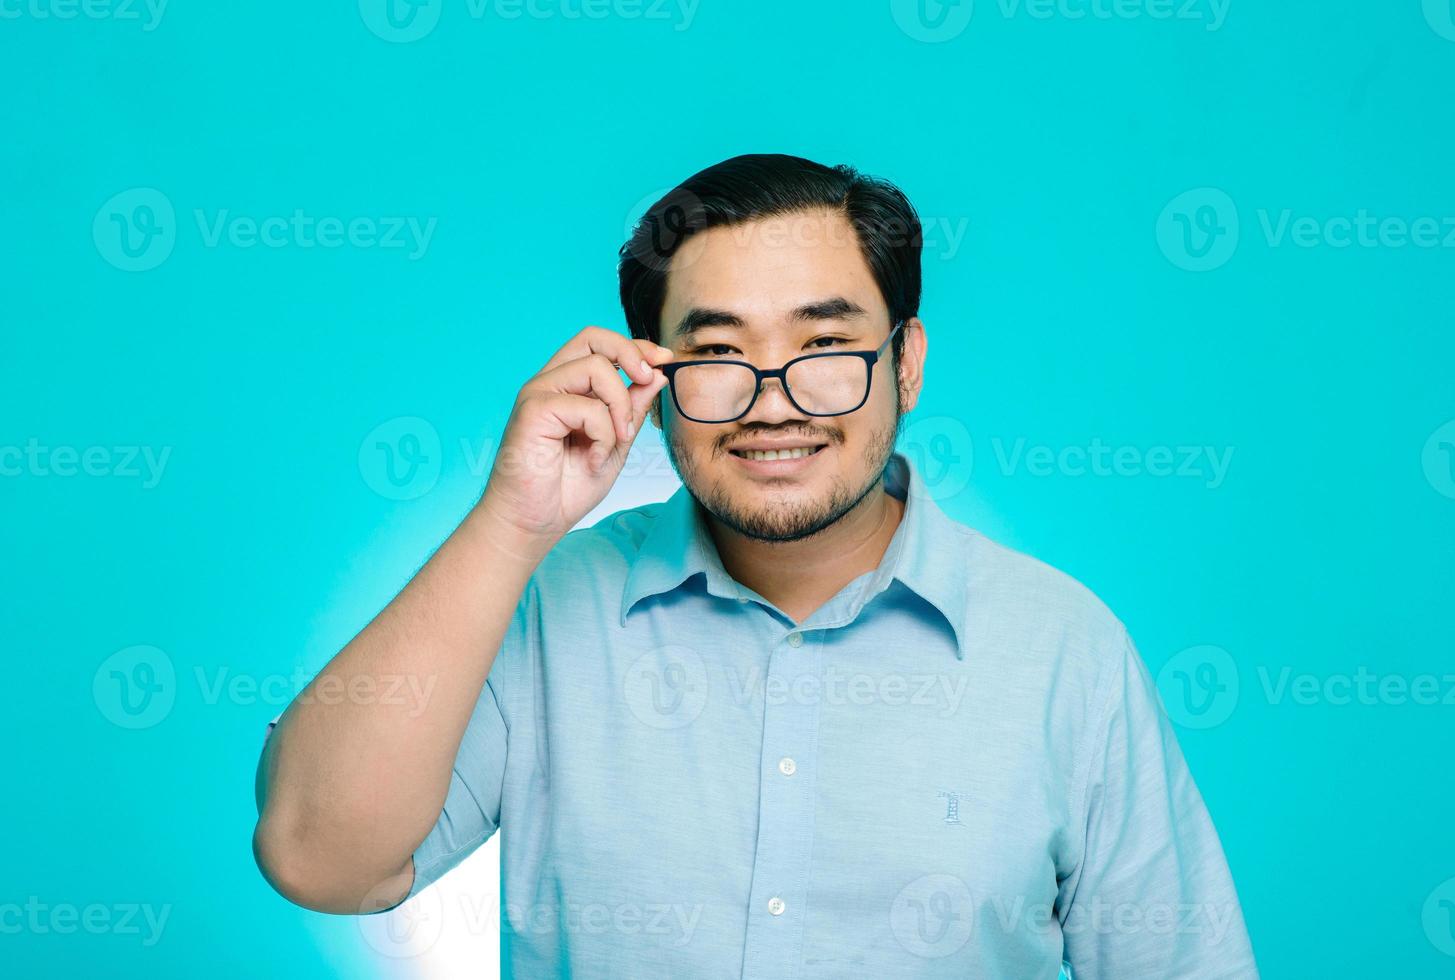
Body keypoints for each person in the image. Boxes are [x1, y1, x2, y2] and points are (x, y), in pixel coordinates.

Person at [252, 153, 1259, 978]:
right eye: (719, 353)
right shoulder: (547, 608)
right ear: (650, 375)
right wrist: (510, 522)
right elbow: (317, 855)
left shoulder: (1062, 650)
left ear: (905, 361)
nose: (773, 400)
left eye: (826, 344)